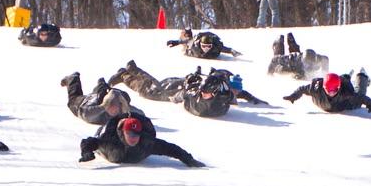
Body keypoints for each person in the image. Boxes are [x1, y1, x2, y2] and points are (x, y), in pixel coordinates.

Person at [108, 61, 268, 117]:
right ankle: (126, 75)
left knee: (153, 88)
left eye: (235, 92)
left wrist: (257, 101)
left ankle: (132, 70)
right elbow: (188, 93)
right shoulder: (211, 89)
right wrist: (176, 97)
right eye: (233, 91)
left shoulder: (225, 91)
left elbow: (243, 94)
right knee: (150, 91)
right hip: (178, 87)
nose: (235, 95)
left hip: (185, 86)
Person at [79, 113, 203, 167]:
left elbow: (171, 149)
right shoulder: (109, 140)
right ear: (123, 132)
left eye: (136, 135)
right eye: (130, 134)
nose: (134, 138)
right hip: (105, 134)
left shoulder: (146, 143)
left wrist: (189, 160)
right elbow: (89, 142)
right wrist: (86, 152)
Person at [61, 72, 144, 125]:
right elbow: (85, 113)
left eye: (116, 106)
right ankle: (73, 78)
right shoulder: (95, 111)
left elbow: (141, 114)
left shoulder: (124, 109)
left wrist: (127, 111)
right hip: (84, 102)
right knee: (72, 102)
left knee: (125, 97)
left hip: (102, 94)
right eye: (111, 106)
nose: (114, 109)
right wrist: (103, 106)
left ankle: (102, 84)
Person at [284, 70, 371, 113]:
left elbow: (362, 98)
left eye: (334, 90)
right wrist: (293, 96)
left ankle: (362, 76)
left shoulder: (346, 93)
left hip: (344, 105)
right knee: (343, 79)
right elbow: (302, 89)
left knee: (359, 93)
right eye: (328, 90)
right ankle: (345, 76)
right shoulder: (316, 89)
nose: (331, 93)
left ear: (338, 88)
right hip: (328, 105)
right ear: (324, 87)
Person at [166, 28, 241, 59]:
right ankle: (186, 32)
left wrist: (232, 51)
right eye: (204, 46)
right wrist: (176, 42)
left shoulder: (216, 47)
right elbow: (188, 40)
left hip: (212, 37)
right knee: (186, 49)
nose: (206, 48)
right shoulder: (195, 45)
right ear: (200, 44)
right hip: (198, 39)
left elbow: (224, 48)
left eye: (208, 46)